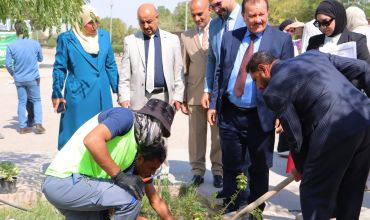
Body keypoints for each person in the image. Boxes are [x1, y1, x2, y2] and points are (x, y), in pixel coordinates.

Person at [248, 50, 370, 220]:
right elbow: (363, 67)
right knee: (351, 189)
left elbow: (294, 134)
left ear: (264, 69)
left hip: (333, 128)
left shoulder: (274, 90)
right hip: (365, 118)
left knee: (313, 192)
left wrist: (300, 166)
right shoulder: (314, 56)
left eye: (256, 80)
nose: (259, 87)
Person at [208, 0, 294, 213]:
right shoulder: (230, 37)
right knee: (231, 166)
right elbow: (221, 72)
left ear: (267, 13)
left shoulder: (282, 40)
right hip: (230, 113)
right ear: (244, 16)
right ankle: (231, 210)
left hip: (261, 115)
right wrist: (213, 104)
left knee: (259, 168)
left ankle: (255, 212)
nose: (257, 20)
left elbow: (288, 81)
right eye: (252, 16)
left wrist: (283, 114)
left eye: (261, 15)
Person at [42, 99, 175, 220]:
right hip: (64, 180)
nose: (159, 138)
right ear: (151, 121)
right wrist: (119, 176)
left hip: (79, 188)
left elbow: (150, 199)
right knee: (132, 197)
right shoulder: (125, 117)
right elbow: (92, 140)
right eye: (161, 131)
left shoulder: (135, 150)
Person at [52, 5, 118, 150]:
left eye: (97, 21)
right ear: (80, 22)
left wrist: (118, 90)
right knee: (78, 134)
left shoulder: (104, 36)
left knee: (102, 133)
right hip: (79, 95)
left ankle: (100, 167)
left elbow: (110, 64)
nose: (95, 26)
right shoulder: (67, 39)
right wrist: (56, 92)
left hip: (102, 95)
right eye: (90, 22)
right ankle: (75, 168)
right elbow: (59, 67)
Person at [180, 0, 223, 188]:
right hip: (194, 94)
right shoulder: (185, 37)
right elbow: (184, 68)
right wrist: (182, 98)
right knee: (196, 137)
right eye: (194, 15)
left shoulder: (220, 30)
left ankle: (218, 171)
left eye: (200, 14)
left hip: (216, 94)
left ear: (210, 10)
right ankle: (197, 171)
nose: (197, 18)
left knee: (218, 137)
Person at [118, 3, 184, 111]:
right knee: (138, 128)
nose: (146, 26)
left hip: (165, 99)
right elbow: (124, 75)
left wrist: (178, 96)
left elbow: (178, 72)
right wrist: (124, 97)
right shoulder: (130, 41)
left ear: (157, 18)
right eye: (141, 22)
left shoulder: (173, 40)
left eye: (149, 21)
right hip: (138, 100)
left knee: (163, 129)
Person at [200, 0, 245, 109]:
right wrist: (208, 89)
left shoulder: (249, 18)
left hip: (245, 95)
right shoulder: (214, 25)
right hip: (219, 95)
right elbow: (212, 58)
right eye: (212, 6)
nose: (216, 9)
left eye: (218, 4)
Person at [5, 20, 45, 134]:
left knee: (22, 102)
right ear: (26, 29)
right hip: (33, 78)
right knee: (36, 100)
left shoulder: (11, 45)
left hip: (19, 79)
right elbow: (41, 59)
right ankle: (38, 124)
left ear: (15, 30)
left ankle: (22, 127)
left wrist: (14, 74)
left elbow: (8, 64)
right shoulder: (35, 44)